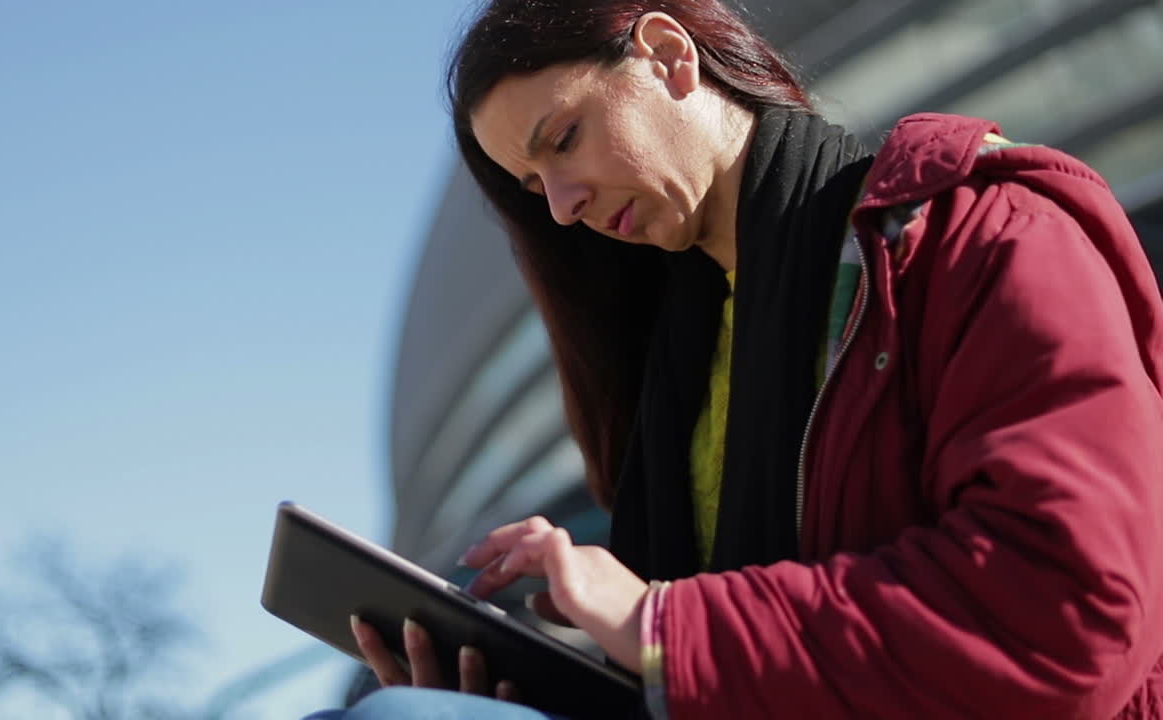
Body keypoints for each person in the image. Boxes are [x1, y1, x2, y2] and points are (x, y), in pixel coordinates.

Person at [306, 0, 1163, 717]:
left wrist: (656, 622)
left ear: (669, 57)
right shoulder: (668, 360)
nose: (561, 209)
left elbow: (1073, 611)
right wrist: (515, 670)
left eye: (563, 138)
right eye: (533, 188)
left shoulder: (982, 233)